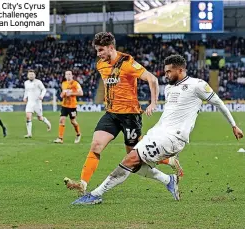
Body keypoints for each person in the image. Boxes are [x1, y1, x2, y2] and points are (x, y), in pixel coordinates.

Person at [71, 54, 244, 205]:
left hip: (173, 137)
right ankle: (169, 180)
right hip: (158, 132)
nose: (166, 74)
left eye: (169, 71)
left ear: (180, 70)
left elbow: (219, 103)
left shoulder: (197, 85)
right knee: (136, 164)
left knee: (130, 159)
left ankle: (95, 194)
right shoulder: (169, 88)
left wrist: (233, 125)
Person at [64, 32, 181, 195]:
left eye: (101, 50)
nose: (98, 54)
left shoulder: (127, 63)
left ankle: (168, 174)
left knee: (134, 159)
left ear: (111, 47)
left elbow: (152, 79)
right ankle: (83, 184)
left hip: (130, 116)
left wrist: (153, 102)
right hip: (111, 114)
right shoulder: (101, 65)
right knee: (96, 145)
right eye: (97, 51)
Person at [54, 70, 83, 144]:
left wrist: (71, 93)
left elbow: (81, 93)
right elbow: (62, 93)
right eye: (67, 74)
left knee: (73, 121)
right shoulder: (63, 83)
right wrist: (62, 95)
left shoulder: (75, 83)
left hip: (72, 106)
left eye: (69, 74)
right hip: (64, 105)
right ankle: (60, 138)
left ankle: (78, 134)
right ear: (65, 75)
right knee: (61, 120)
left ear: (72, 75)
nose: (68, 75)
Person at [23, 69, 51, 138]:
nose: (31, 76)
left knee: (40, 118)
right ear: (27, 75)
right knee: (28, 117)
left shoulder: (38, 82)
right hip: (30, 102)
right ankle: (29, 134)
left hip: (37, 103)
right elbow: (26, 91)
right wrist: (25, 97)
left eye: (32, 74)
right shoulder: (26, 83)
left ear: (35, 75)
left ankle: (47, 122)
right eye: (30, 75)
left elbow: (44, 89)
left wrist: (41, 96)